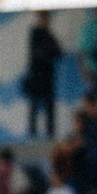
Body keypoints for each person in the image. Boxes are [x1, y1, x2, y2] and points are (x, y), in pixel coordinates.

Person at [21, 11, 62, 140]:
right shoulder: (35, 33)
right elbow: (37, 53)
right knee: (34, 104)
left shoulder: (49, 35)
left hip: (48, 76)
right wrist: (47, 52)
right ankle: (32, 133)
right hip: (37, 75)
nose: (46, 22)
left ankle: (50, 132)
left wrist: (47, 52)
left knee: (49, 105)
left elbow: (58, 52)